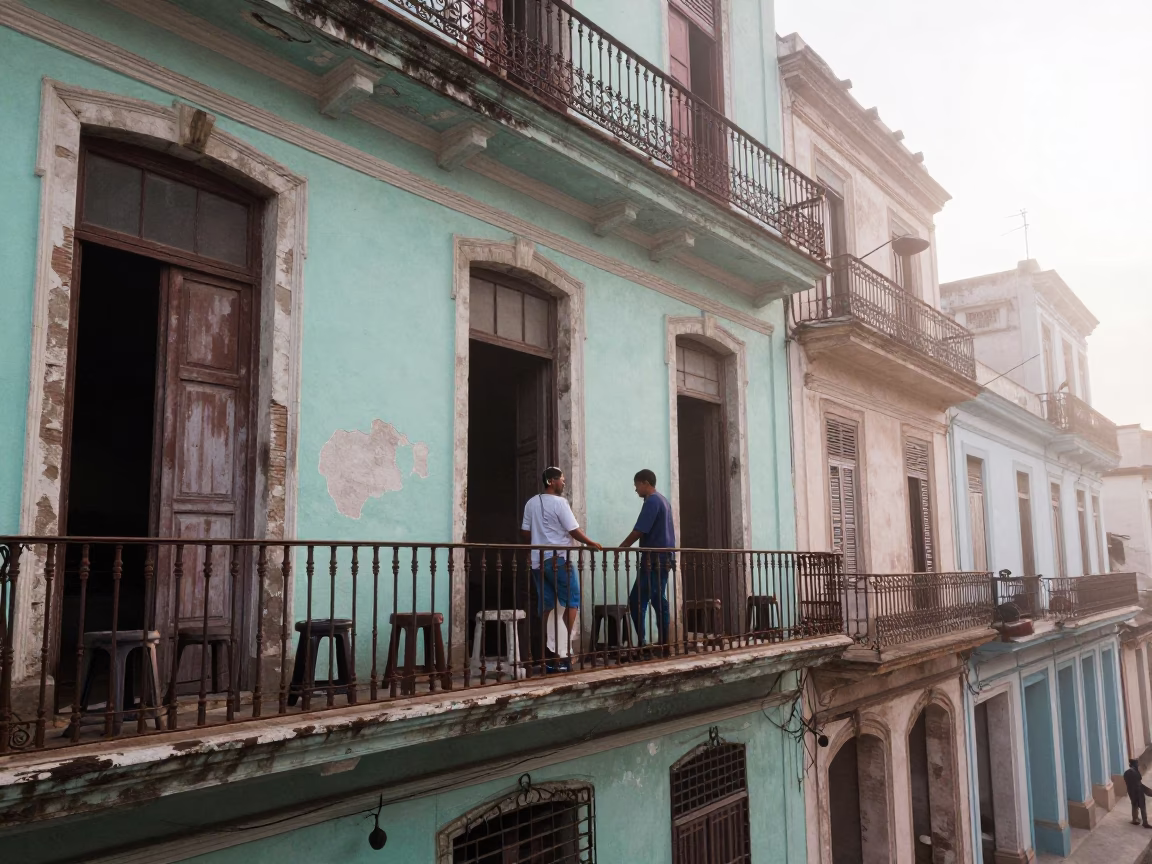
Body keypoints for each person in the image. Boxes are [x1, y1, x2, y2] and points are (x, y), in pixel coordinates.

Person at [521, 467, 600, 672]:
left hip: (538, 562)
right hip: (558, 561)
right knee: (573, 600)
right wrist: (591, 543)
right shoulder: (560, 503)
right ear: (550, 481)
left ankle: (547, 655)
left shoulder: (531, 502)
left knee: (547, 606)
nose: (563, 483)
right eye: (561, 480)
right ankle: (564, 651)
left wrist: (542, 540)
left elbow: (525, 532)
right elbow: (573, 530)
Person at [619, 469, 675, 653]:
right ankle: (661, 643)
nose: (636, 490)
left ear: (645, 483)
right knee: (654, 599)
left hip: (654, 560)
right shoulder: (663, 501)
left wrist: (623, 546)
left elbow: (640, 530)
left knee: (641, 600)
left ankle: (648, 643)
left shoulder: (652, 501)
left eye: (637, 485)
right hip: (662, 559)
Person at [1125, 759, 1152, 828]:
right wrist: (1148, 791)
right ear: (1135, 764)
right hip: (1139, 791)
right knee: (1142, 807)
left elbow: (1127, 782)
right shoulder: (1136, 772)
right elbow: (1139, 783)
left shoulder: (1126, 773)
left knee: (1134, 805)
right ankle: (1145, 822)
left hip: (1131, 791)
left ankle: (1135, 819)